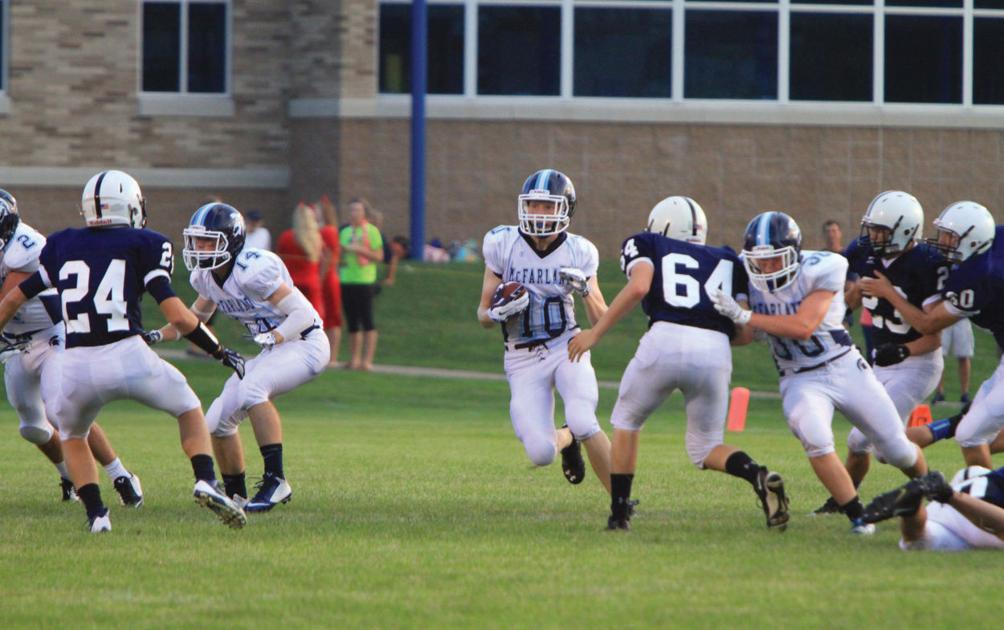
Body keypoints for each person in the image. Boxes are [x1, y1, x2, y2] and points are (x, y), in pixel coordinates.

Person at [0, 170, 247, 532]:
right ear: (131, 207)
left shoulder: (62, 243)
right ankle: (205, 480)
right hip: (126, 353)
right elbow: (179, 316)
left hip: (76, 362)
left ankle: (97, 515)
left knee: (72, 435)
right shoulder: (147, 243)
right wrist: (218, 350)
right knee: (189, 408)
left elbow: (13, 299)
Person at [567, 196, 789, 531]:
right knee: (706, 447)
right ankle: (756, 474)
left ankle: (619, 514)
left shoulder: (648, 242)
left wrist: (595, 333)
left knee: (627, 420)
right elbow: (745, 332)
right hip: (715, 348)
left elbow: (639, 286)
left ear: (663, 225)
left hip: (664, 338)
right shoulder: (728, 258)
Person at [711, 211, 928, 535]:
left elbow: (804, 326)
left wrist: (745, 315)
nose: (766, 268)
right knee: (815, 437)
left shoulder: (823, 267)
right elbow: (744, 335)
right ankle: (858, 517)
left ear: (794, 254)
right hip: (799, 377)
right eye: (760, 261)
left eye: (775, 259)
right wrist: (713, 328)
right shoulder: (745, 274)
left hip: (844, 367)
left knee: (896, 448)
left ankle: (935, 491)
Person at [147, 203, 329, 512]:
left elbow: (304, 314)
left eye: (208, 241)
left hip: (305, 342)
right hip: (275, 349)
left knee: (252, 389)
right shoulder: (206, 278)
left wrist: (275, 336)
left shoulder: (252, 271)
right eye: (197, 240)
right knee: (216, 422)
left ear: (230, 241)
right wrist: (153, 336)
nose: (200, 248)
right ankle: (235, 497)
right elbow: (191, 322)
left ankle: (276, 481)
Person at [0, 188, 142, 506]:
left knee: (62, 411)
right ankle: (70, 477)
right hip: (15, 344)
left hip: (50, 336)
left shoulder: (25, 247)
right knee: (33, 428)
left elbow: (6, 303)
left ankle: (121, 476)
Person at [477, 169, 613, 495]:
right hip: (521, 357)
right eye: (534, 205)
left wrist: (585, 290)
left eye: (547, 206)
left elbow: (602, 318)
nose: (538, 213)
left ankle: (621, 501)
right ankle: (567, 439)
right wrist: (495, 313)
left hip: (567, 346)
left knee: (584, 419)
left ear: (565, 209)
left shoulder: (579, 250)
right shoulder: (503, 243)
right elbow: (482, 314)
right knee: (541, 453)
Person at [813, 191, 948, 514]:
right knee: (868, 444)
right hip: (881, 363)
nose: (872, 236)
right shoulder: (864, 252)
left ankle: (938, 494)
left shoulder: (926, 264)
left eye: (881, 230)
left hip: (918, 364)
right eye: (872, 228)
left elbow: (932, 337)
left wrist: (890, 297)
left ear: (905, 230)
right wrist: (851, 299)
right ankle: (844, 503)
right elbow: (849, 300)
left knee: (872, 443)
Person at [860, 201, 1004, 468]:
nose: (943, 242)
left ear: (973, 241)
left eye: (951, 237)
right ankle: (979, 488)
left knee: (971, 434)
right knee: (974, 433)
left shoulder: (979, 277)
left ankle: (983, 492)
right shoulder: (994, 239)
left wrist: (889, 292)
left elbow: (928, 325)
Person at [861, 466, 1004, 551]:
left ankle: (912, 510)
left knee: (917, 542)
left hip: (941, 509)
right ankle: (947, 494)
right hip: (980, 509)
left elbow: (969, 472)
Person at [340, 198, 383, 370]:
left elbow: (379, 256)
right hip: (346, 279)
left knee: (367, 320)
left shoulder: (371, 231)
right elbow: (340, 255)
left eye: (357, 210)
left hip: (365, 281)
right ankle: (354, 359)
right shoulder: (345, 232)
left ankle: (367, 360)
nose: (354, 213)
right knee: (352, 321)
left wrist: (359, 249)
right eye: (351, 210)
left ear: (364, 213)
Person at [276, 203, 325, 318]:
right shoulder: (316, 238)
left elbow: (279, 259)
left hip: (291, 284)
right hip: (311, 282)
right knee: (314, 319)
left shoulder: (286, 236)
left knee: (292, 319)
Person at [317, 195, 343, 366]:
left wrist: (320, 278)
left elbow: (328, 257)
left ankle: (333, 356)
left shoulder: (328, 231)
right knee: (325, 317)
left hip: (327, 278)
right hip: (325, 276)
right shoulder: (326, 230)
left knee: (332, 317)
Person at [932, 319, 974, 404]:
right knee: (939, 355)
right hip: (943, 317)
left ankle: (965, 393)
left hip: (961, 317)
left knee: (964, 355)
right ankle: (939, 392)